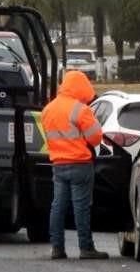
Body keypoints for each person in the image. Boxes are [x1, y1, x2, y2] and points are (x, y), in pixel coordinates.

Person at [41, 69, 108, 260]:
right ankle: (86, 248)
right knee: (81, 207)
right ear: (81, 87)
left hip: (58, 164)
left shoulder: (48, 109)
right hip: (80, 164)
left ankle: (57, 248)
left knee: (58, 206)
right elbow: (95, 138)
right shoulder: (80, 109)